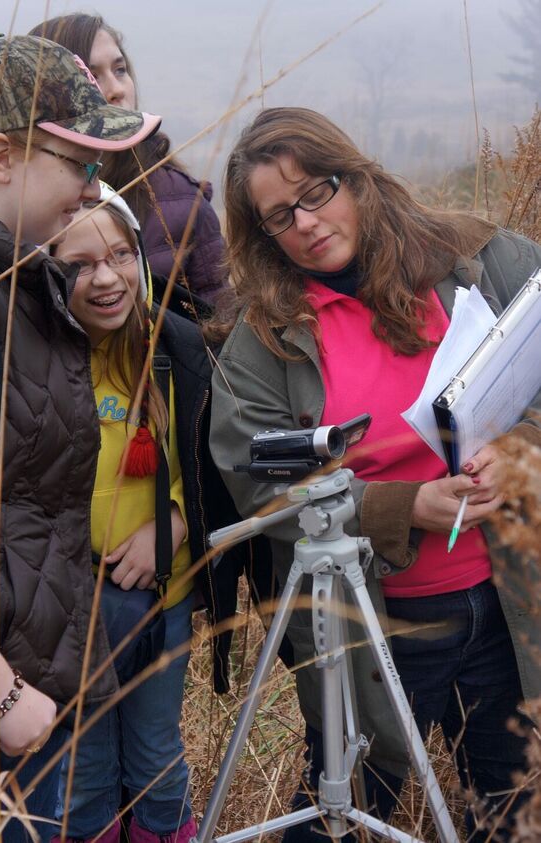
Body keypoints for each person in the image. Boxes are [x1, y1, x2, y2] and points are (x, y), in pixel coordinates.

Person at [209, 106, 541, 842]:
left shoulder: (482, 261)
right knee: (348, 809)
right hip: (374, 627)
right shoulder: (267, 337)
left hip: (509, 611)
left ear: (353, 175)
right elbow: (257, 479)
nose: (305, 223)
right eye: (278, 216)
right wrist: (399, 506)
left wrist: (519, 448)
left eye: (317, 191)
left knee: (514, 811)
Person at [0, 33, 160, 841]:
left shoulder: (18, 279)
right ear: (0, 155)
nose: (95, 187)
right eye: (81, 165)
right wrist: (3, 696)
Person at [49, 183, 235, 843]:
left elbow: (216, 466)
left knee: (155, 754)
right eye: (79, 264)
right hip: (66, 615)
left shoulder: (177, 350)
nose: (106, 277)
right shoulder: (39, 361)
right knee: (85, 765)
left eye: (121, 255)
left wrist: (178, 520)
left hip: (164, 600)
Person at [29, 13, 228, 305]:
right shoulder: (23, 204)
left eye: (120, 70)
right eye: (92, 76)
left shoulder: (184, 201)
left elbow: (218, 324)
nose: (117, 90)